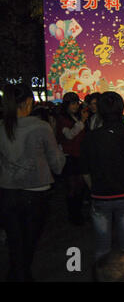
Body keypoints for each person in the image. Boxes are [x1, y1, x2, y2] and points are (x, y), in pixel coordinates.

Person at [0, 83, 66, 281]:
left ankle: (18, 275)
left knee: (15, 244)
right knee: (28, 243)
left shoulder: (2, 127)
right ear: (28, 101)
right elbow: (57, 164)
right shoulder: (40, 126)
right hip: (35, 192)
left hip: (6, 193)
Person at [80, 92, 124, 261]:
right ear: (122, 110)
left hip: (100, 195)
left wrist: (93, 187)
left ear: (100, 111)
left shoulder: (91, 138)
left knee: (102, 246)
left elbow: (85, 171)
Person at [55, 92, 89, 225]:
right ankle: (73, 215)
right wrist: (82, 122)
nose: (75, 106)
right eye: (73, 103)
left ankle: (77, 214)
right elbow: (69, 135)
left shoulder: (73, 117)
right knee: (72, 188)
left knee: (79, 187)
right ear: (67, 105)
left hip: (78, 155)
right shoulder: (62, 119)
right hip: (69, 157)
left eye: (76, 103)